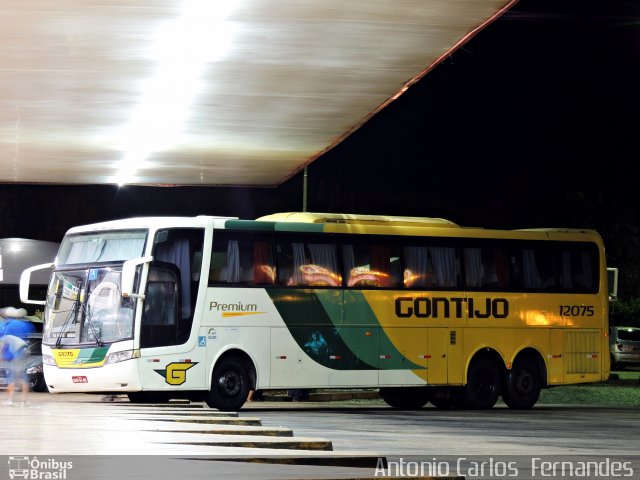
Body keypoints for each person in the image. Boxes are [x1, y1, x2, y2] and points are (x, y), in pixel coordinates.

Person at [1, 307, 35, 406]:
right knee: (23, 377)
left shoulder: (7, 325)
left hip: (12, 354)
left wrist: (2, 355)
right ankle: (25, 401)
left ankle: (10, 400)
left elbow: (5, 341)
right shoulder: (28, 325)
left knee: (11, 377)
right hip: (24, 352)